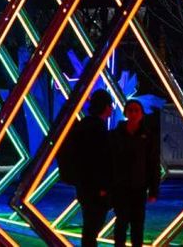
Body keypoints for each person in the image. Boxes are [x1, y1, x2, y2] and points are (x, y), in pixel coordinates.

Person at [109, 99, 160, 247]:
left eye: (136, 110)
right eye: (130, 110)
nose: (133, 113)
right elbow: (109, 161)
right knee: (121, 223)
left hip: (139, 187)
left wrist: (153, 190)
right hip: (120, 186)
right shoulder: (115, 135)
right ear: (125, 112)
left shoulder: (148, 136)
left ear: (142, 114)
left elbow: (152, 164)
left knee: (138, 225)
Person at [74, 89, 114, 247]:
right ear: (105, 107)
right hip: (95, 188)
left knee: (89, 226)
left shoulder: (85, 125)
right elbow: (99, 160)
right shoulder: (97, 129)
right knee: (93, 227)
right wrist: (103, 187)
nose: (112, 108)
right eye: (110, 105)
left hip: (84, 185)